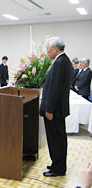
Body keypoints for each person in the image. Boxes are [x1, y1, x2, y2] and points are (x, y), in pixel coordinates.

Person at [40, 37, 73, 177]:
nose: (46, 51)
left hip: (54, 110)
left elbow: (55, 89)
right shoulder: (63, 61)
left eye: (48, 48)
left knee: (56, 139)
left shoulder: (60, 63)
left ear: (55, 49)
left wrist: (49, 109)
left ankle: (58, 168)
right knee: (57, 138)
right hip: (58, 109)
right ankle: (56, 164)